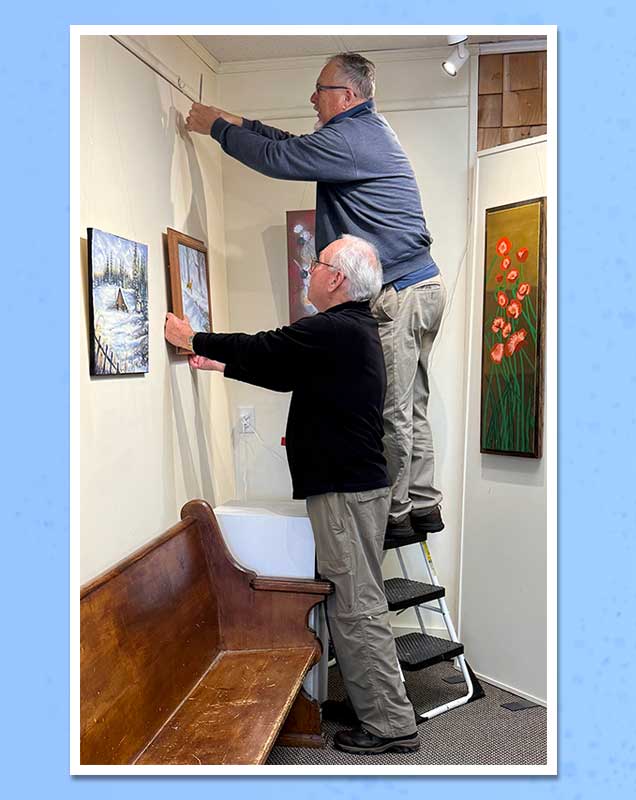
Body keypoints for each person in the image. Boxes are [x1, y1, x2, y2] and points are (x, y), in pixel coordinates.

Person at [163, 236, 419, 756]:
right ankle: (375, 704)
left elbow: (268, 348)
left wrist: (194, 337)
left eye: (316, 263)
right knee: (353, 598)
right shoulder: (350, 331)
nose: (309, 270)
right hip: (352, 489)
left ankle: (390, 724)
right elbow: (283, 370)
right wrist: (219, 365)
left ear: (337, 279)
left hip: (347, 491)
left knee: (357, 604)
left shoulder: (334, 329)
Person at [185, 52, 446, 544]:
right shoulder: (361, 133)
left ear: (346, 97)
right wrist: (238, 122)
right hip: (420, 286)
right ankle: (422, 505)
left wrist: (216, 128)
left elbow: (280, 158)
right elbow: (292, 144)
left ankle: (393, 515)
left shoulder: (353, 138)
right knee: (410, 406)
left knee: (392, 409)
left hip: (402, 291)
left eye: (320, 90)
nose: (312, 98)